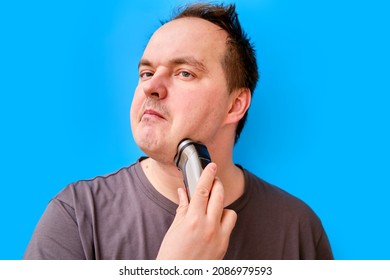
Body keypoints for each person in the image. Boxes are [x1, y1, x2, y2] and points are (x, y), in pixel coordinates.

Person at [24, 3, 333, 260]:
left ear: (235, 105)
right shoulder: (76, 217)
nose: (150, 87)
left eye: (184, 73)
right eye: (146, 72)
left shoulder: (298, 228)